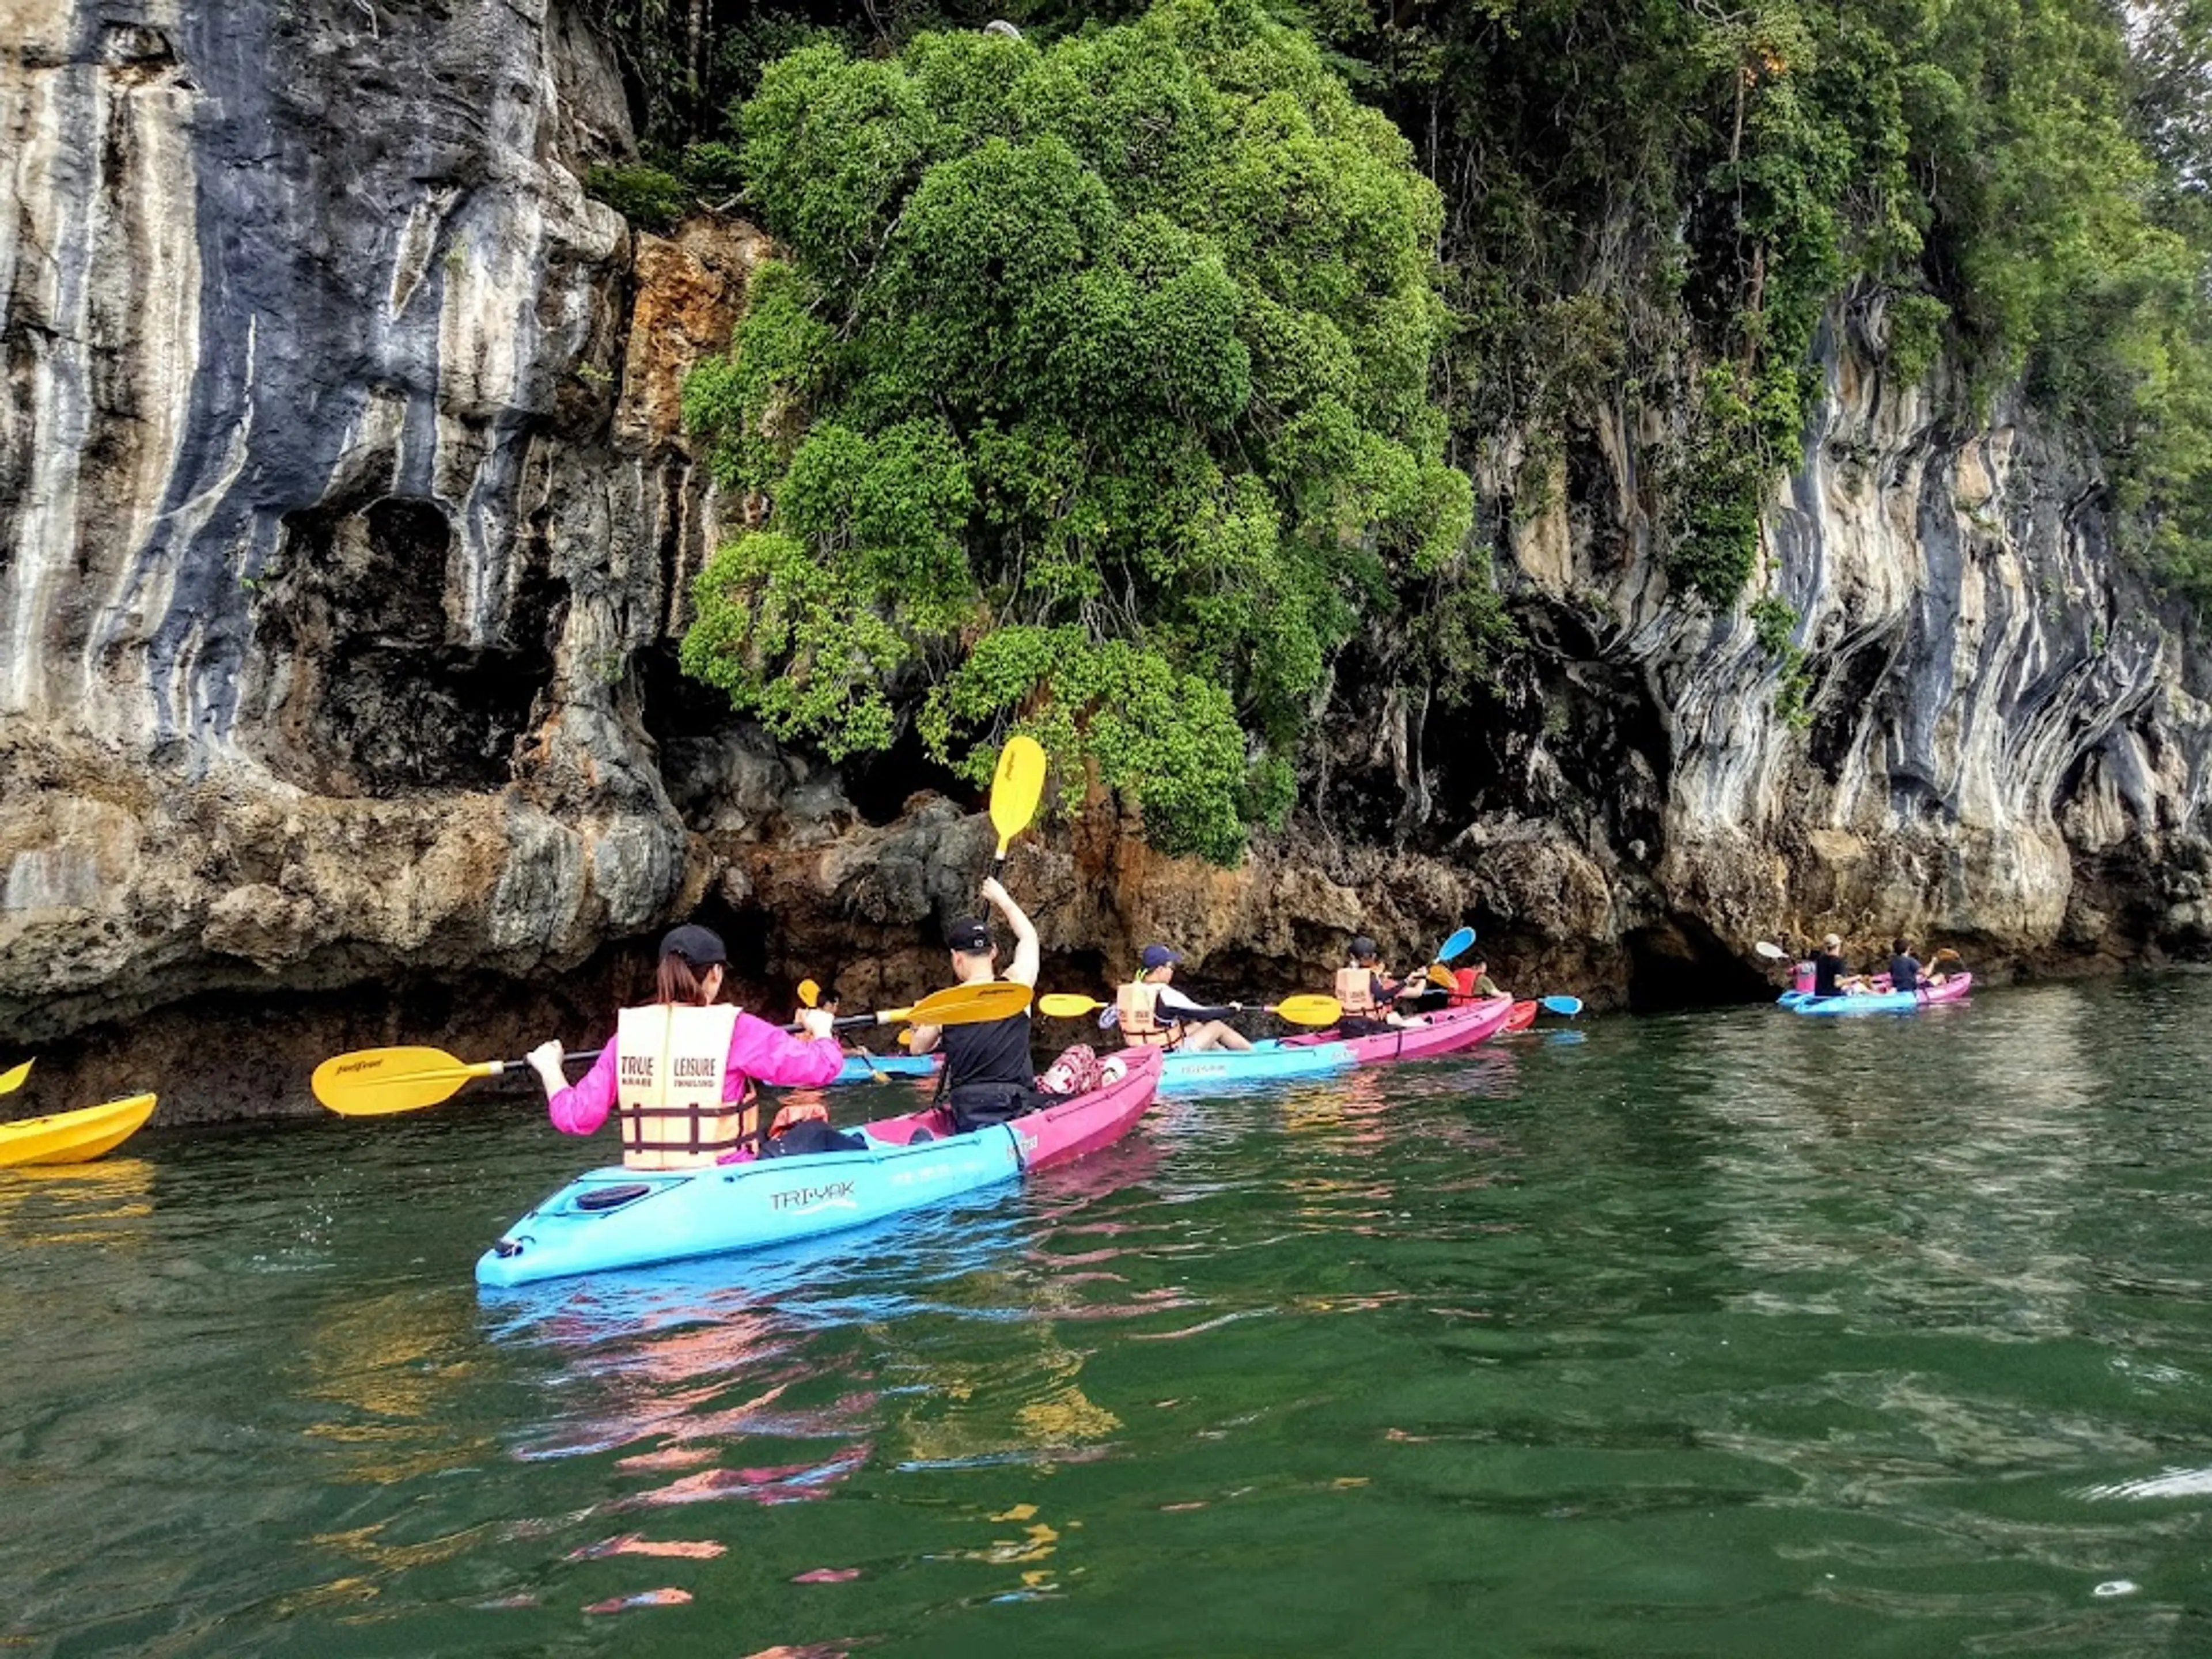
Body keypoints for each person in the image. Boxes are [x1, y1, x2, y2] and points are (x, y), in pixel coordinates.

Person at [524, 923, 853, 1169]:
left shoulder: (627, 1037)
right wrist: (823, 1031)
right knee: (814, 1131)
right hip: (724, 1178)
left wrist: (551, 1069)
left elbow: (576, 1117)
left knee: (780, 1127)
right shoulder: (736, 1030)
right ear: (715, 974)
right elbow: (821, 1068)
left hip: (655, 1179)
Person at [906, 877, 1048, 1132]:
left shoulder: (945, 1005)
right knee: (1081, 1055)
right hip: (1015, 1105)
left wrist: (921, 1022)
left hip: (967, 1108)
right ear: (993, 952)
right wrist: (1002, 898)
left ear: (957, 958)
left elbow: (916, 1049)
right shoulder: (1018, 985)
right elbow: (1029, 938)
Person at [1100, 945, 1255, 1053]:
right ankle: (1254, 1056)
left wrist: (1118, 1007)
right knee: (1217, 1026)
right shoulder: (1166, 994)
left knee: (1196, 1027)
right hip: (1169, 1053)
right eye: (1171, 967)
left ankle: (1221, 1056)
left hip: (1142, 1052)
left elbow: (1104, 1023)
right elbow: (1203, 1013)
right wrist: (1231, 1010)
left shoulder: (1127, 994)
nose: (1172, 972)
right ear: (1160, 970)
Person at [1335, 935, 1411, 1035]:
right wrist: (1406, 982)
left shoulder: (1342, 974)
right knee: (1403, 1029)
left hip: (1344, 1024)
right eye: (1371, 955)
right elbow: (1382, 996)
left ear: (1352, 957)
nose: (1374, 957)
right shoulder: (1369, 976)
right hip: (1364, 1026)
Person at [1810, 933, 1865, 998]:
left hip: (1820, 994)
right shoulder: (1838, 962)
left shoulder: (1819, 960)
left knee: (1846, 987)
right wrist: (1856, 977)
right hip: (1834, 996)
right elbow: (1837, 984)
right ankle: (1878, 998)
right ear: (1837, 946)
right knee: (1861, 987)